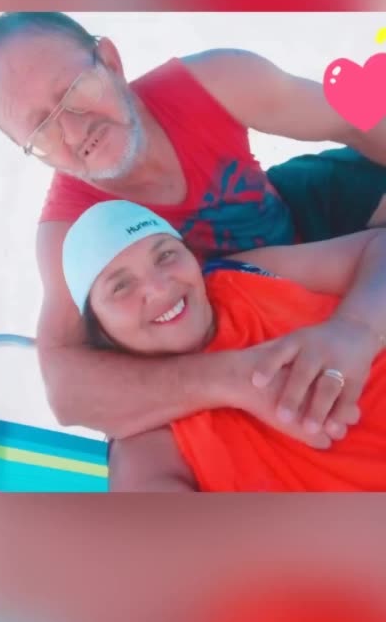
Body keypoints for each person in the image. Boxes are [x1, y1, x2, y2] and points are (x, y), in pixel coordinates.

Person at [0, 11, 386, 443]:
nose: (74, 132)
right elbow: (68, 388)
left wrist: (357, 327)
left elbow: (357, 119)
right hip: (243, 316)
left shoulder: (212, 85)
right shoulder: (74, 233)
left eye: (74, 90)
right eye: (42, 129)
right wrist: (235, 379)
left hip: (298, 214)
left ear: (110, 61)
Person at [63, 200, 386, 491]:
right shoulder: (143, 435)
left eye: (165, 255)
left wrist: (355, 327)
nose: (159, 288)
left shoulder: (240, 274)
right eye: (121, 286)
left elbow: (377, 246)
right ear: (100, 330)